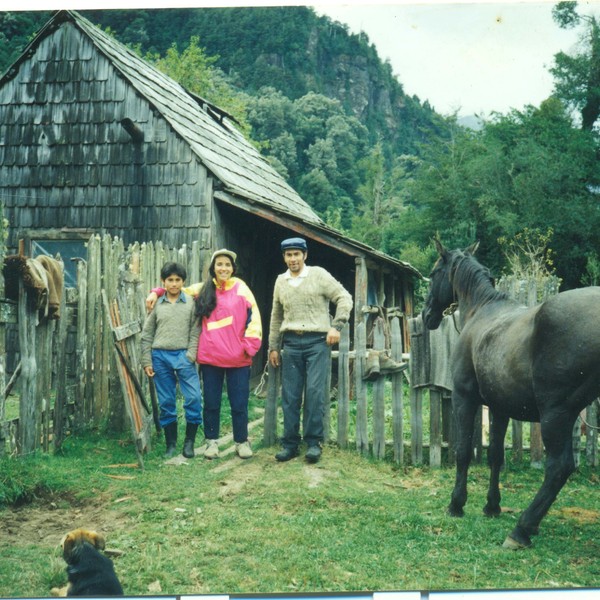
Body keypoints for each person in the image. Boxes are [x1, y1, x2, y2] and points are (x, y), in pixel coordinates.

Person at [146, 249, 262, 460]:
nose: (223, 268)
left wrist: (249, 346)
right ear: (213, 268)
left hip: (238, 359)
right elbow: (175, 290)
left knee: (239, 403)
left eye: (227, 264)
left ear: (233, 268)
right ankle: (211, 442)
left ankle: (241, 441)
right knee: (211, 403)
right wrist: (155, 291)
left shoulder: (241, 288)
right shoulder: (202, 289)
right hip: (211, 359)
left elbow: (254, 317)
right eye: (219, 264)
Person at [269, 237, 353, 463]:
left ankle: (313, 443)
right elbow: (276, 316)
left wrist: (337, 326)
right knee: (290, 395)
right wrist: (274, 346)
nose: (293, 259)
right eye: (289, 255)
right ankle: (290, 444)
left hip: (317, 343)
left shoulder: (318, 275)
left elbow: (344, 298)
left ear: (305, 255)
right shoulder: (281, 281)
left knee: (315, 393)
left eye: (297, 254)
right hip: (291, 344)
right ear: (284, 257)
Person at [141, 261, 203, 459]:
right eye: (170, 280)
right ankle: (171, 444)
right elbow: (147, 334)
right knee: (166, 401)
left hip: (184, 356)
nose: (174, 284)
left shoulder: (191, 303)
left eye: (178, 280)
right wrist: (147, 361)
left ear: (183, 282)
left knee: (193, 397)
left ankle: (189, 443)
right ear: (163, 282)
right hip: (160, 357)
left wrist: (191, 355)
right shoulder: (157, 304)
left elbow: (196, 331)